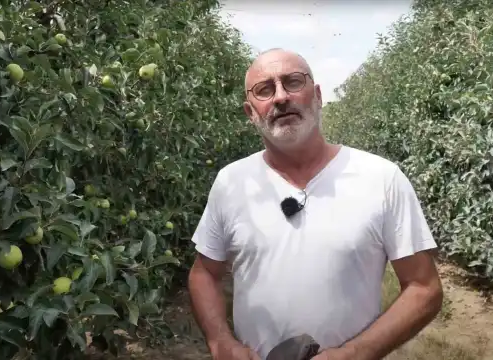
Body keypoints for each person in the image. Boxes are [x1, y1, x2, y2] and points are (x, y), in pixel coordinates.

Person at [187, 48, 444, 360]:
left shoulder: (382, 178)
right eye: (264, 90)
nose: (280, 97)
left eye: (293, 82)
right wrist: (219, 341)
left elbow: (423, 287)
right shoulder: (231, 182)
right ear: (250, 112)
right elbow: (204, 273)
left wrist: (354, 353)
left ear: (318, 95)